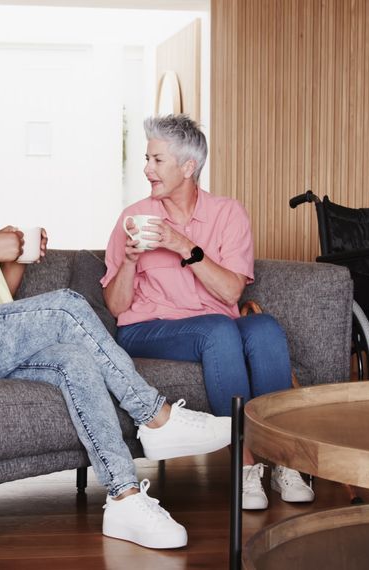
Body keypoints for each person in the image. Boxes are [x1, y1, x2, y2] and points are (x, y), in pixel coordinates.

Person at [0, 136, 231, 549]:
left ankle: (124, 498)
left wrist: (12, 261)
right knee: (65, 307)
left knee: (73, 360)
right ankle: (154, 416)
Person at [102, 115, 315, 510]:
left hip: (218, 324)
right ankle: (246, 466)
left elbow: (233, 289)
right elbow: (116, 307)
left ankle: (286, 460)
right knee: (218, 330)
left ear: (188, 167)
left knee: (265, 328)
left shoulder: (228, 213)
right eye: (146, 159)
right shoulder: (133, 217)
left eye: (157, 160)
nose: (147, 169)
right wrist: (130, 261)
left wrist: (185, 246)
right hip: (149, 328)